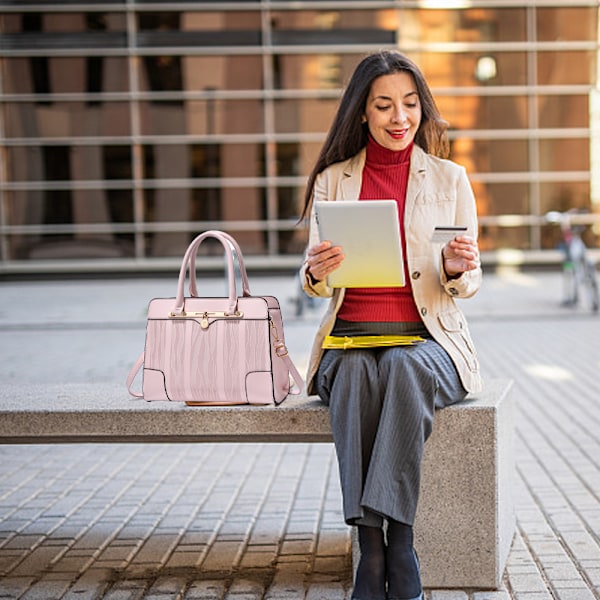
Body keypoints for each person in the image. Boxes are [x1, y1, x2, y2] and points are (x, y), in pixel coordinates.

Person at [299, 50, 483, 600]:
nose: (398, 117)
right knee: (355, 371)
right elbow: (315, 284)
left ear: (422, 111)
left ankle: (392, 545)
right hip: (349, 338)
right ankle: (375, 547)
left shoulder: (450, 178)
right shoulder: (334, 180)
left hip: (431, 342)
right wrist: (315, 273)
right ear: (362, 112)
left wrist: (456, 269)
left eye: (409, 104)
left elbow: (468, 284)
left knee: (402, 365)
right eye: (383, 106)